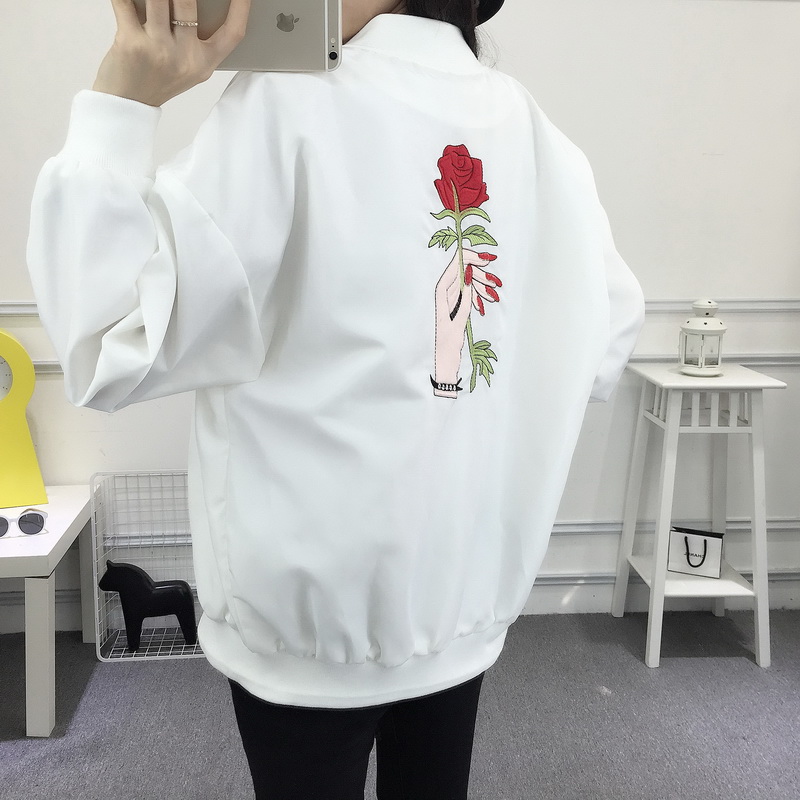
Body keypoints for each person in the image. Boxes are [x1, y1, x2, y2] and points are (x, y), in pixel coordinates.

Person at [26, 0, 645, 797]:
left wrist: (121, 100)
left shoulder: (291, 103)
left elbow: (110, 344)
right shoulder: (527, 125)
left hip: (304, 628)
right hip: (459, 598)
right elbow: (607, 331)